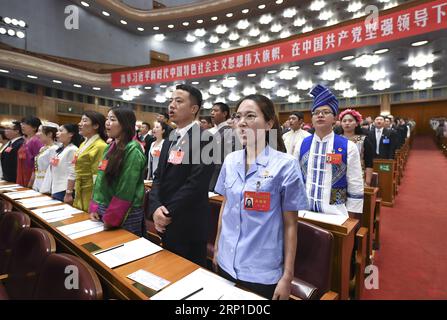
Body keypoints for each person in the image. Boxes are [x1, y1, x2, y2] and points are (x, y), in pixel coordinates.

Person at [213, 94, 308, 300]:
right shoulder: (230, 160)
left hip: (261, 272)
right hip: (225, 262)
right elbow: (226, 206)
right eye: (238, 117)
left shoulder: (286, 165)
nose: (242, 123)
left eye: (250, 116)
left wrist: (287, 277)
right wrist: (217, 247)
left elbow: (291, 225)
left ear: (269, 123)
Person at [147, 84, 214, 267]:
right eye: (171, 101)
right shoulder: (170, 138)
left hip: (188, 223)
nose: (171, 105)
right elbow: (158, 177)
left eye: (178, 101)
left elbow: (196, 184)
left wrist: (166, 213)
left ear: (194, 109)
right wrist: (156, 208)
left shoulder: (206, 139)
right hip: (165, 220)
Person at [298, 85, 364, 218]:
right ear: (311, 119)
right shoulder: (302, 144)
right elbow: (296, 178)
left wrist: (351, 218)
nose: (320, 115)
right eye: (316, 113)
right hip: (304, 212)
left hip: (335, 214)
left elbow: (355, 183)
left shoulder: (348, 146)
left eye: (326, 112)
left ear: (334, 119)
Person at [89, 107, 147, 236]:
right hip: (105, 207)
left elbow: (126, 188)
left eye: (112, 119)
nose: (107, 123)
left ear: (125, 124)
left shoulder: (133, 150)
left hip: (124, 211)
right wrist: (95, 207)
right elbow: (100, 179)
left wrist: (112, 218)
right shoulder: (110, 147)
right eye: (107, 119)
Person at [67, 111, 107, 210]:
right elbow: (74, 167)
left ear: (96, 125)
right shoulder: (82, 144)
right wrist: (69, 191)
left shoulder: (101, 146)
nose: (79, 124)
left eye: (84, 120)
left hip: (91, 191)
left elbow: (98, 175)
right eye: (80, 120)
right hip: (79, 187)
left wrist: (95, 200)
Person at [44, 124, 82, 201]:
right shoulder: (61, 149)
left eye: (61, 131)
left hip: (64, 189)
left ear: (70, 134)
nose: (57, 133)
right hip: (56, 188)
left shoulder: (73, 149)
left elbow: (73, 171)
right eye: (58, 131)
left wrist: (69, 192)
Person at [339, 109, 374, 186]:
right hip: (338, 177)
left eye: (350, 121)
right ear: (341, 123)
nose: (347, 123)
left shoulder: (364, 140)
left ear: (357, 123)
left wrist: (367, 181)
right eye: (344, 121)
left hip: (358, 176)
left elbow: (369, 162)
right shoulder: (336, 139)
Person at [209, 102, 234, 191]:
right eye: (211, 110)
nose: (212, 113)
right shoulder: (214, 131)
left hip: (218, 177)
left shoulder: (228, 131)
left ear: (224, 114)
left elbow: (225, 160)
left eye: (216, 110)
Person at [29, 122, 59, 192]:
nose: (37, 134)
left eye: (40, 131)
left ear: (49, 134)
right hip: (38, 182)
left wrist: (47, 188)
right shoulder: (43, 148)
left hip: (47, 184)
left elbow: (53, 171)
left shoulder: (54, 149)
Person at [17, 116, 44, 186]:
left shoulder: (36, 141)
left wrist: (32, 180)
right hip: (22, 171)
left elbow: (38, 161)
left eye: (26, 124)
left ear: (35, 128)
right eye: (22, 124)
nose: (22, 126)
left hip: (30, 175)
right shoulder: (25, 140)